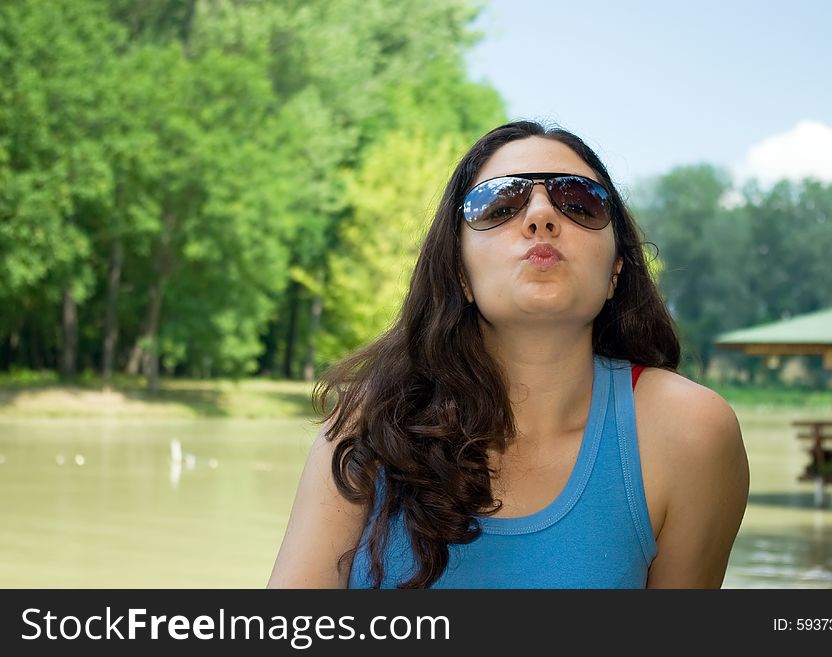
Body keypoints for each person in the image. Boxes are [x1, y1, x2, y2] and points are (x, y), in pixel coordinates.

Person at [267, 120, 750, 589]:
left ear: (616, 271)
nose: (541, 216)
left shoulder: (690, 434)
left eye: (580, 202)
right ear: (459, 272)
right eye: (499, 204)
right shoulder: (368, 424)